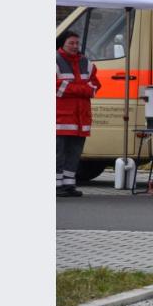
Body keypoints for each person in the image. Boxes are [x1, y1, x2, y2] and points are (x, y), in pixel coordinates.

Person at [56, 30, 101, 197]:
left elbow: (95, 87)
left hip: (81, 118)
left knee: (74, 154)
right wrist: (83, 89)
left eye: (76, 43)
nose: (75, 46)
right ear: (63, 43)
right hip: (61, 118)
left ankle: (69, 185)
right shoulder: (55, 60)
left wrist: (71, 89)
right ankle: (56, 186)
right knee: (58, 153)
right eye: (71, 43)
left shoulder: (86, 63)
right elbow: (56, 87)